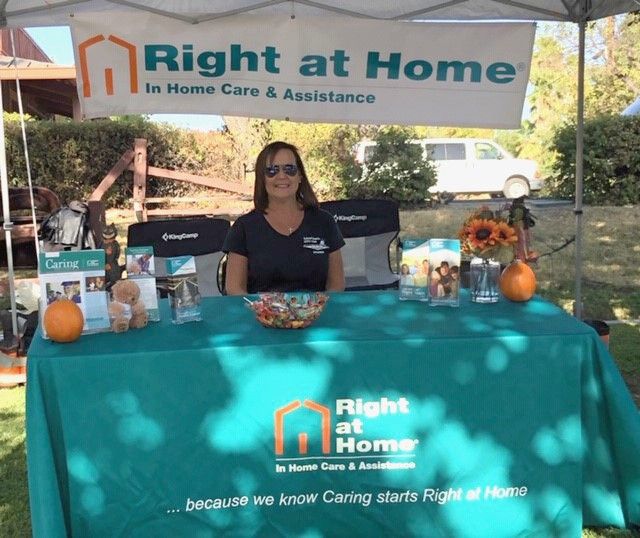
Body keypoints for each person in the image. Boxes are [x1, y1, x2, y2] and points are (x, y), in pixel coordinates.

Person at [223, 141, 345, 295]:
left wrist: (311, 313)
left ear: (300, 176)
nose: (282, 176)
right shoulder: (243, 227)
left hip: (315, 315)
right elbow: (235, 290)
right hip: (261, 316)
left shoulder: (324, 222)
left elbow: (337, 285)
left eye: (289, 169)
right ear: (262, 178)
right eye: (272, 170)